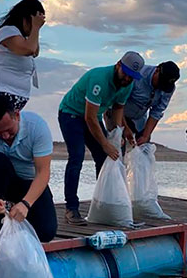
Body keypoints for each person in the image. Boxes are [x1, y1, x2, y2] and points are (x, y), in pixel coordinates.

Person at [58, 51, 144, 225]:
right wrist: (105, 144)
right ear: (118, 65)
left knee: (105, 159)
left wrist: (118, 132)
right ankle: (71, 209)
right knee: (77, 157)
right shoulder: (100, 79)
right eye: (126, 74)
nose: (127, 79)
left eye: (132, 77)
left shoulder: (126, 85)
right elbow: (89, 117)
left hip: (93, 117)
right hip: (71, 114)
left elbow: (118, 109)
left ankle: (104, 203)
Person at [0, 92, 57, 249]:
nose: (5, 135)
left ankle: (18, 217)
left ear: (17, 115)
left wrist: (26, 204)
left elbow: (43, 173)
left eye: (8, 129)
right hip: (1, 183)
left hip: (29, 183)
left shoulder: (37, 127)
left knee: (46, 232)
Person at [0, 0, 46, 116]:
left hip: (11, 97)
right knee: (3, 132)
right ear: (26, 18)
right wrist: (35, 27)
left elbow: (35, 51)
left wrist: (35, 29)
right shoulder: (7, 31)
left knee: (8, 133)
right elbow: (29, 49)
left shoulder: (20, 37)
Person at [104, 60, 180, 145]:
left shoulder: (168, 89)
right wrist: (124, 128)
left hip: (139, 119)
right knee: (117, 142)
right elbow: (117, 104)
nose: (160, 86)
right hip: (116, 111)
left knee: (144, 145)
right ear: (157, 70)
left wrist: (145, 136)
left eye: (164, 85)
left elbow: (157, 112)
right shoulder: (138, 75)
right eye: (160, 82)